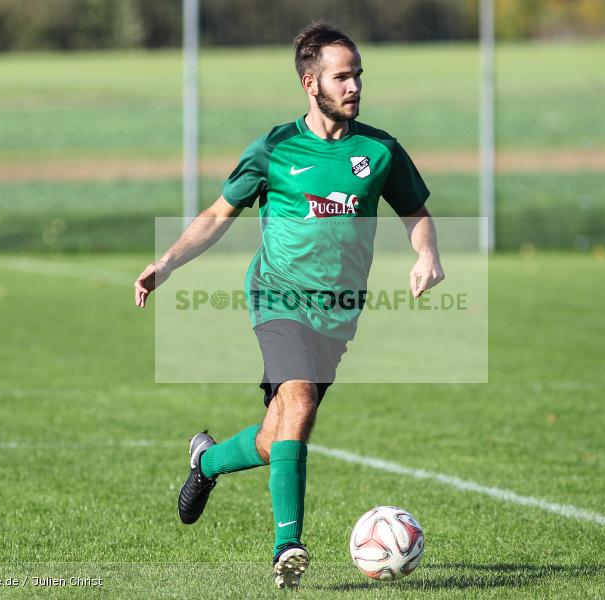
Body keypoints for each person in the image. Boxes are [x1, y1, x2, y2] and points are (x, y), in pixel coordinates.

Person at [134, 21, 444, 590]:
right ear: (310, 83)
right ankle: (288, 546)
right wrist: (168, 262)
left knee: (279, 432)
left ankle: (206, 461)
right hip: (277, 296)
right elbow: (218, 213)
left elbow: (416, 213)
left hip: (338, 313)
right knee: (297, 401)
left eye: (358, 75)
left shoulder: (380, 150)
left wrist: (427, 254)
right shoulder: (274, 149)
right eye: (341, 77)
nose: (354, 86)